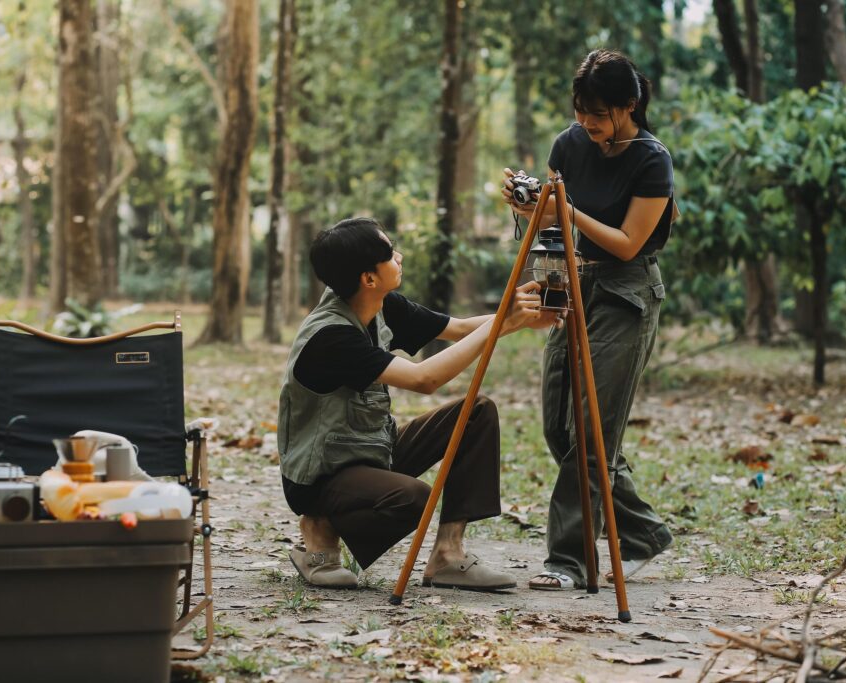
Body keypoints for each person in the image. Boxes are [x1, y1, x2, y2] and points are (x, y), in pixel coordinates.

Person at [278, 216, 558, 591]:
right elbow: (424, 378)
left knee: (477, 413)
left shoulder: (377, 304)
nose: (401, 256)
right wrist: (501, 326)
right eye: (391, 254)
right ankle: (319, 525)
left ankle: (448, 555)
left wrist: (521, 318)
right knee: (413, 499)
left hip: (371, 451)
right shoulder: (330, 337)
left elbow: (457, 328)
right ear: (369, 278)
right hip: (322, 475)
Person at [502, 49, 675, 590]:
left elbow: (627, 243)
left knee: (592, 430)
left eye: (597, 113)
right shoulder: (570, 143)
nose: (586, 122)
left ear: (628, 106)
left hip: (627, 290)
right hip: (570, 280)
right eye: (580, 110)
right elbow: (553, 219)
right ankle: (643, 532)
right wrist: (528, 206)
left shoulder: (652, 159)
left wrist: (565, 207)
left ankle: (569, 560)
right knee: (560, 427)